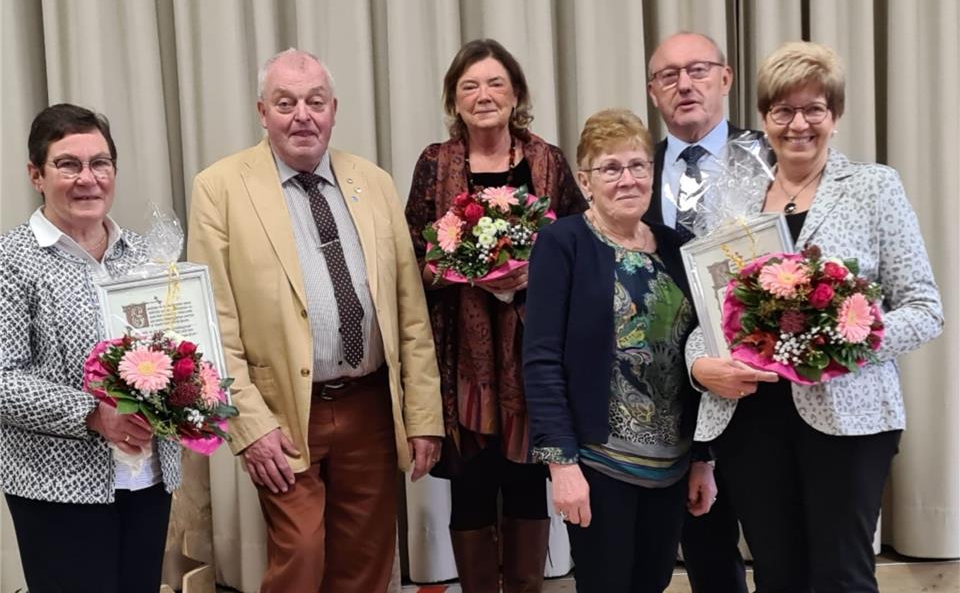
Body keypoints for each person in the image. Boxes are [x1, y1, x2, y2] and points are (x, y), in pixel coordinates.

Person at [687, 41, 944, 592]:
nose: (798, 123)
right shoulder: (733, 197)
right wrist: (698, 367)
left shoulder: (874, 187)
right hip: (750, 418)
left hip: (847, 420)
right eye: (782, 110)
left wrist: (838, 340)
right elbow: (704, 315)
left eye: (814, 109)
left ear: (836, 115)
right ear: (763, 118)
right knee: (777, 576)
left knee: (840, 577)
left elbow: (925, 309)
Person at [187, 48, 443, 593]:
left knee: (366, 562)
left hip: (370, 406)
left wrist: (423, 415)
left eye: (315, 102)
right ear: (262, 111)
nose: (302, 115)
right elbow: (214, 323)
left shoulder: (373, 182)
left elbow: (410, 313)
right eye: (286, 103)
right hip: (283, 412)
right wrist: (249, 426)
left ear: (333, 109)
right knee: (300, 557)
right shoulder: (220, 188)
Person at [405, 38, 586, 592]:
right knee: (472, 486)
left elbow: (583, 242)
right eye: (470, 86)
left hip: (533, 355)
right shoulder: (436, 163)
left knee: (530, 484)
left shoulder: (547, 161)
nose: (484, 95)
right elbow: (412, 252)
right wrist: (459, 270)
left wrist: (538, 273)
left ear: (516, 94)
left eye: (495, 84)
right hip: (462, 359)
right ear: (454, 101)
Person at [523, 108, 717, 593]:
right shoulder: (561, 243)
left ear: (653, 175)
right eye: (610, 168)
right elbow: (541, 358)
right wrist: (561, 465)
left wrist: (703, 458)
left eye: (637, 166)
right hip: (598, 463)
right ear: (585, 181)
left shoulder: (677, 248)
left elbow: (701, 353)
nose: (627, 179)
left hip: (671, 466)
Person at [0, 103, 181, 593]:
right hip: (56, 486)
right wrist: (94, 415)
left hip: (147, 476)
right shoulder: (11, 260)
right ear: (36, 175)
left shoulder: (146, 255)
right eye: (68, 164)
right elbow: (3, 380)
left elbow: (178, 351)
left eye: (100, 163)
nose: (88, 178)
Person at [643, 31, 752, 593]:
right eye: (668, 75)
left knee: (779, 540)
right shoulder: (637, 170)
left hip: (756, 381)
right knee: (702, 543)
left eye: (699, 70)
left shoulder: (768, 155)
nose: (684, 84)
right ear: (653, 92)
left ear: (726, 79)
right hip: (669, 383)